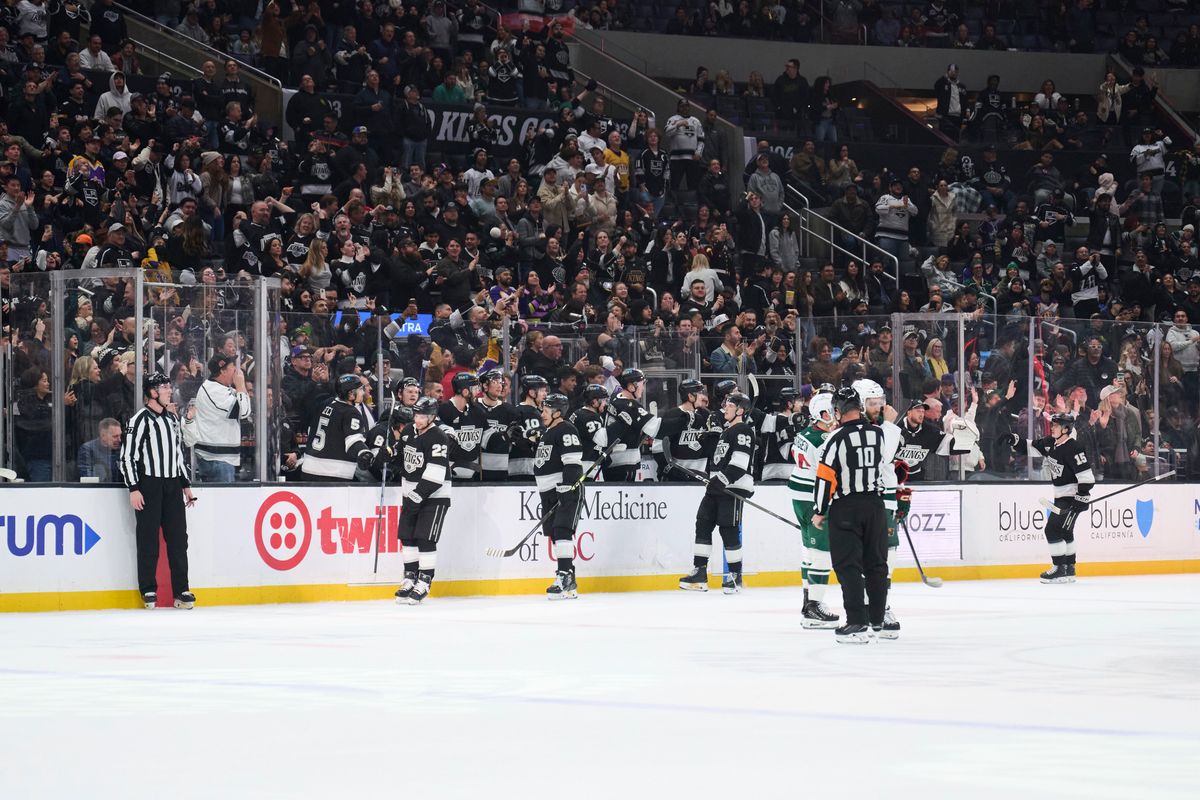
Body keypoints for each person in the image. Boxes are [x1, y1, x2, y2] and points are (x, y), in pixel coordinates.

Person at [811, 386, 887, 643]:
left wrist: (819, 511)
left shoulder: (835, 438)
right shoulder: (878, 434)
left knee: (848, 566)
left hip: (847, 508)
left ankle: (856, 622)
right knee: (876, 565)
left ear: (837, 411)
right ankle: (878, 620)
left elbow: (825, 477)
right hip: (876, 506)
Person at [118, 372, 197, 610]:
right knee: (148, 539)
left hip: (172, 485)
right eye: (164, 387)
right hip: (149, 485)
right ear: (152, 392)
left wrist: (186, 486)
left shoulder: (171, 420)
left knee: (178, 540)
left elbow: (177, 455)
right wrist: (134, 488)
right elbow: (127, 458)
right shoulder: (139, 420)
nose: (169, 391)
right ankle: (148, 589)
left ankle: (181, 590)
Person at [679, 391, 755, 594]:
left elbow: (739, 464)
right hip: (716, 488)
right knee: (702, 523)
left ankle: (735, 576)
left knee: (728, 529)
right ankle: (700, 572)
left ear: (740, 410)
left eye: (730, 406)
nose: (725, 409)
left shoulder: (743, 430)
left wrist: (720, 480)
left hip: (732, 488)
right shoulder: (726, 431)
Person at [1005, 413, 1094, 583]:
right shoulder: (1050, 443)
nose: (1052, 427)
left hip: (1072, 497)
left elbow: (1086, 476)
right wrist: (1014, 440)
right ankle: (1069, 569)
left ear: (1066, 429)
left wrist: (1081, 497)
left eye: (1056, 425)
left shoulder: (1074, 447)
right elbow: (1031, 446)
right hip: (1061, 496)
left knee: (1052, 530)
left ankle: (1059, 569)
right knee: (1065, 531)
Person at [788, 389, 840, 629]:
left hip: (799, 497)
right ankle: (814, 608)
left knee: (809, 549)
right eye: (832, 411)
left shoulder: (804, 433)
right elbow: (829, 473)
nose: (836, 415)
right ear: (822, 413)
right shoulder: (824, 440)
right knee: (820, 551)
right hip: (813, 498)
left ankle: (808, 602)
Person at [393, 396, 453, 605]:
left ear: (432, 417)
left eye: (423, 416)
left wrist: (418, 495)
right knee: (407, 537)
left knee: (425, 539)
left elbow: (436, 474)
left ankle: (425, 580)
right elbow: (400, 456)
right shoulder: (409, 430)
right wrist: (388, 455)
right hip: (411, 495)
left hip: (434, 497)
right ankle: (409, 578)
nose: (418, 419)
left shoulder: (438, 438)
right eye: (416, 415)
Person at [535, 393, 586, 600]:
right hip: (549, 492)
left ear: (557, 412)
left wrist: (567, 487)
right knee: (555, 534)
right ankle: (569, 580)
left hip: (565, 490)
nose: (542, 414)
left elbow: (573, 462)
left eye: (546, 410)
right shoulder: (549, 431)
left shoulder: (566, 429)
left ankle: (564, 575)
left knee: (562, 530)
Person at [181, 353, 251, 482]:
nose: (236, 370)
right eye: (232, 367)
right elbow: (244, 412)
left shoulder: (222, 388)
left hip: (221, 458)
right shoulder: (213, 390)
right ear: (223, 370)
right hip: (216, 459)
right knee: (224, 501)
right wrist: (241, 385)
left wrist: (240, 388)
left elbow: (246, 407)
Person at [300, 374, 372, 480]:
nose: (363, 392)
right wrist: (364, 453)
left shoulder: (326, 403)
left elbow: (310, 430)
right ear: (351, 394)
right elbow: (353, 441)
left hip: (308, 469)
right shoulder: (351, 412)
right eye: (360, 389)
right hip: (333, 474)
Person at [604, 368, 662, 481]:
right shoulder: (630, 406)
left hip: (611, 460)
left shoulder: (615, 398)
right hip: (624, 462)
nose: (643, 388)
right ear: (631, 386)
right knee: (624, 495)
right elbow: (656, 428)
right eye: (642, 384)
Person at [438, 371, 486, 481]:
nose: (477, 393)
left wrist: (503, 435)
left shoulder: (479, 412)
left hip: (473, 475)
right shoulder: (443, 410)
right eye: (474, 389)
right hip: (448, 475)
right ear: (465, 392)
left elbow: (486, 438)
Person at [656, 379, 709, 479]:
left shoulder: (706, 414)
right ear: (690, 396)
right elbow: (658, 445)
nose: (703, 396)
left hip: (700, 476)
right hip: (677, 477)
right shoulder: (672, 415)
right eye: (699, 393)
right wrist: (669, 469)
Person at [477, 369, 517, 481]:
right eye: (495, 382)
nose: (500, 386)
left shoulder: (510, 411)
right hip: (477, 472)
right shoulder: (474, 408)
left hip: (502, 471)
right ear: (485, 385)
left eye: (501, 382)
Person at [508, 373, 548, 480]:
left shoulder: (541, 412)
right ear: (531, 392)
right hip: (523, 469)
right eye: (542, 390)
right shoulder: (523, 412)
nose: (545, 394)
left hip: (533, 468)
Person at [570, 382, 610, 476]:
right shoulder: (590, 417)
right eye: (604, 400)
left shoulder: (578, 412)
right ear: (594, 402)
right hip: (585, 463)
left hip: (575, 462)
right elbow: (602, 441)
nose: (606, 403)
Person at [78, 417, 123, 483]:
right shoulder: (88, 449)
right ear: (103, 436)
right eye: (115, 436)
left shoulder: (121, 451)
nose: (119, 440)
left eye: (120, 436)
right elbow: (87, 480)